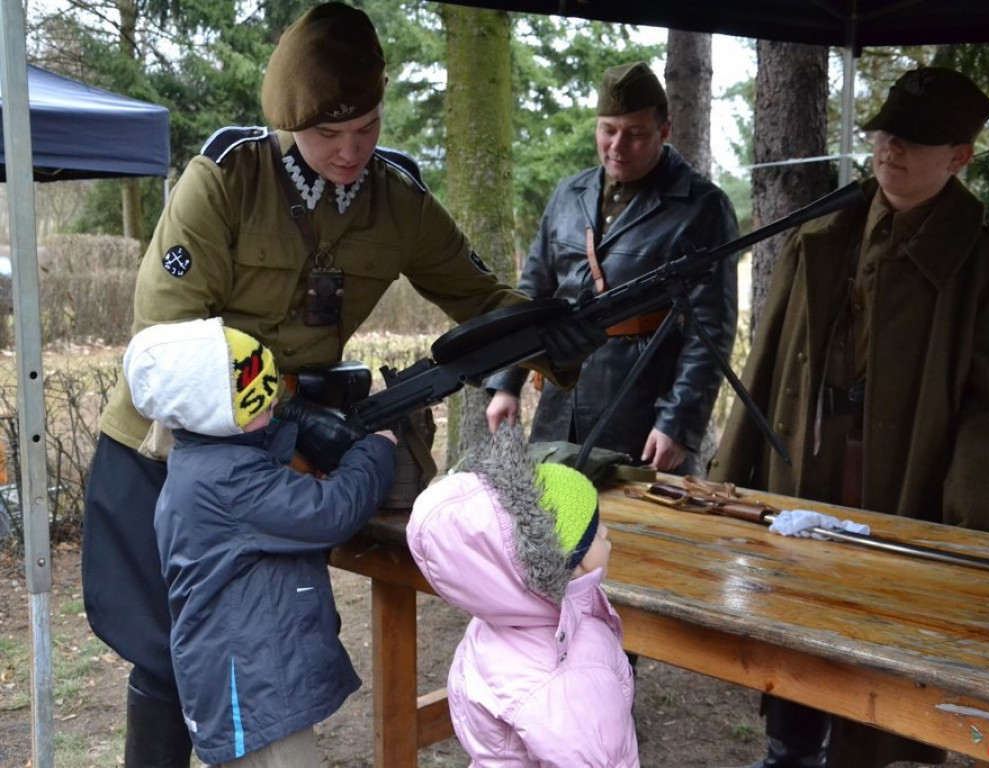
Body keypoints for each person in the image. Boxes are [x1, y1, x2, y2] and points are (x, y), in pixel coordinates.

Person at [80, 4, 601, 765]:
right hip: (161, 452)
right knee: (163, 650)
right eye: (330, 135)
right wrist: (282, 409)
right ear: (290, 123)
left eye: (367, 128)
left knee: (252, 646)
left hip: (274, 458)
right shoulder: (225, 180)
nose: (352, 151)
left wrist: (556, 335)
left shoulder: (398, 202)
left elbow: (485, 301)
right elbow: (165, 339)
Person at [710, 66, 989, 768]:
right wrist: (728, 481)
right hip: (804, 486)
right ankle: (788, 753)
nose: (891, 149)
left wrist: (975, 528)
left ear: (961, 156)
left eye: (914, 140)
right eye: (885, 133)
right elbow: (763, 368)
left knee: (876, 675)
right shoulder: (820, 239)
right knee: (793, 652)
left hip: (901, 492)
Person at [122, 317, 397, 766]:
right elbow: (331, 511)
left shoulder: (205, 461)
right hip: (250, 691)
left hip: (247, 678)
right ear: (212, 411)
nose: (273, 409)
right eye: (260, 407)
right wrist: (378, 447)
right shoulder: (231, 480)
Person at [486, 61, 739, 474]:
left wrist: (678, 423)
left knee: (637, 533)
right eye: (608, 130)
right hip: (559, 404)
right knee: (549, 527)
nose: (617, 146)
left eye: (635, 134)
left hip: (642, 409)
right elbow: (531, 293)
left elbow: (710, 330)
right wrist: (505, 383)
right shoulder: (570, 194)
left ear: (664, 131)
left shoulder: (701, 206)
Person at [406, 422, 639, 766]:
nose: (609, 534)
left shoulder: (492, 627)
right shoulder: (569, 676)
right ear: (573, 565)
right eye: (596, 531)